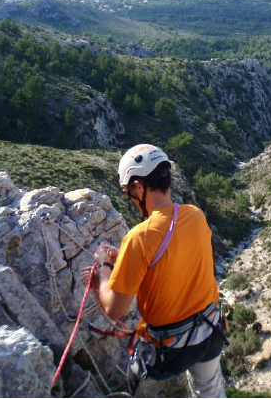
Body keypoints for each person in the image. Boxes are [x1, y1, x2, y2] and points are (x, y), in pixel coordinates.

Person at [81, 144, 226, 398]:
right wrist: (126, 262)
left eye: (129, 192)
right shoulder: (195, 215)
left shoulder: (139, 238)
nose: (131, 198)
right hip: (210, 329)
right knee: (210, 391)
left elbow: (115, 310)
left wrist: (103, 269)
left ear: (138, 186)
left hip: (169, 347)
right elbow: (175, 261)